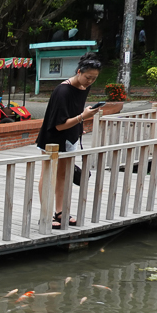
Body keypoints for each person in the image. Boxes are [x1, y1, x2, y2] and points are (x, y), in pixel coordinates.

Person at [35, 53, 103, 228]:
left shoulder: (83, 87)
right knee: (48, 174)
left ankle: (60, 212)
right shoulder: (62, 91)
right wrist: (83, 117)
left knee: (64, 175)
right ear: (79, 72)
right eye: (88, 77)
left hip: (70, 137)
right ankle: (45, 214)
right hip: (52, 138)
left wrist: (79, 125)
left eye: (94, 78)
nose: (90, 81)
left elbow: (74, 112)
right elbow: (58, 125)